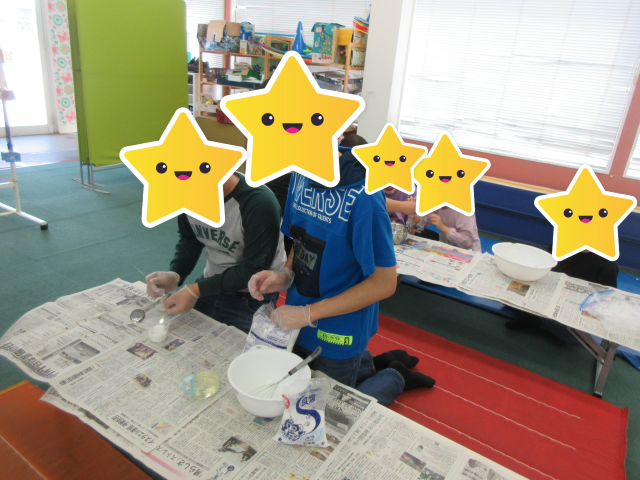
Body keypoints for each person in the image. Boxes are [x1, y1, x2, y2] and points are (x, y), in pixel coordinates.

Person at [249, 135, 435, 406]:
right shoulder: (299, 176)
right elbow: (302, 236)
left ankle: (395, 377)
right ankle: (372, 363)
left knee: (329, 409)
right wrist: (285, 274)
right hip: (297, 316)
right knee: (296, 389)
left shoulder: (365, 197)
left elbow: (384, 283)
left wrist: (308, 314)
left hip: (339, 331)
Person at [145, 171, 287, 333]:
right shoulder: (185, 189)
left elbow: (253, 269)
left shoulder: (259, 203)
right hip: (210, 283)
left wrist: (195, 290)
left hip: (253, 294)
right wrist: (176, 274)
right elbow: (190, 239)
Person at [505, 248, 619, 343]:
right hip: (548, 294)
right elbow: (545, 270)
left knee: (572, 334)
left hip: (571, 318)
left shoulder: (607, 263)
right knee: (511, 290)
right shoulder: (560, 245)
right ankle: (531, 316)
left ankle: (532, 317)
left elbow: (606, 299)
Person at [408, 207, 481, 252]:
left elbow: (468, 242)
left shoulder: (463, 210)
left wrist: (444, 228)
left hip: (468, 251)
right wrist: (415, 214)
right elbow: (419, 227)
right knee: (414, 233)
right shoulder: (437, 205)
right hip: (449, 243)